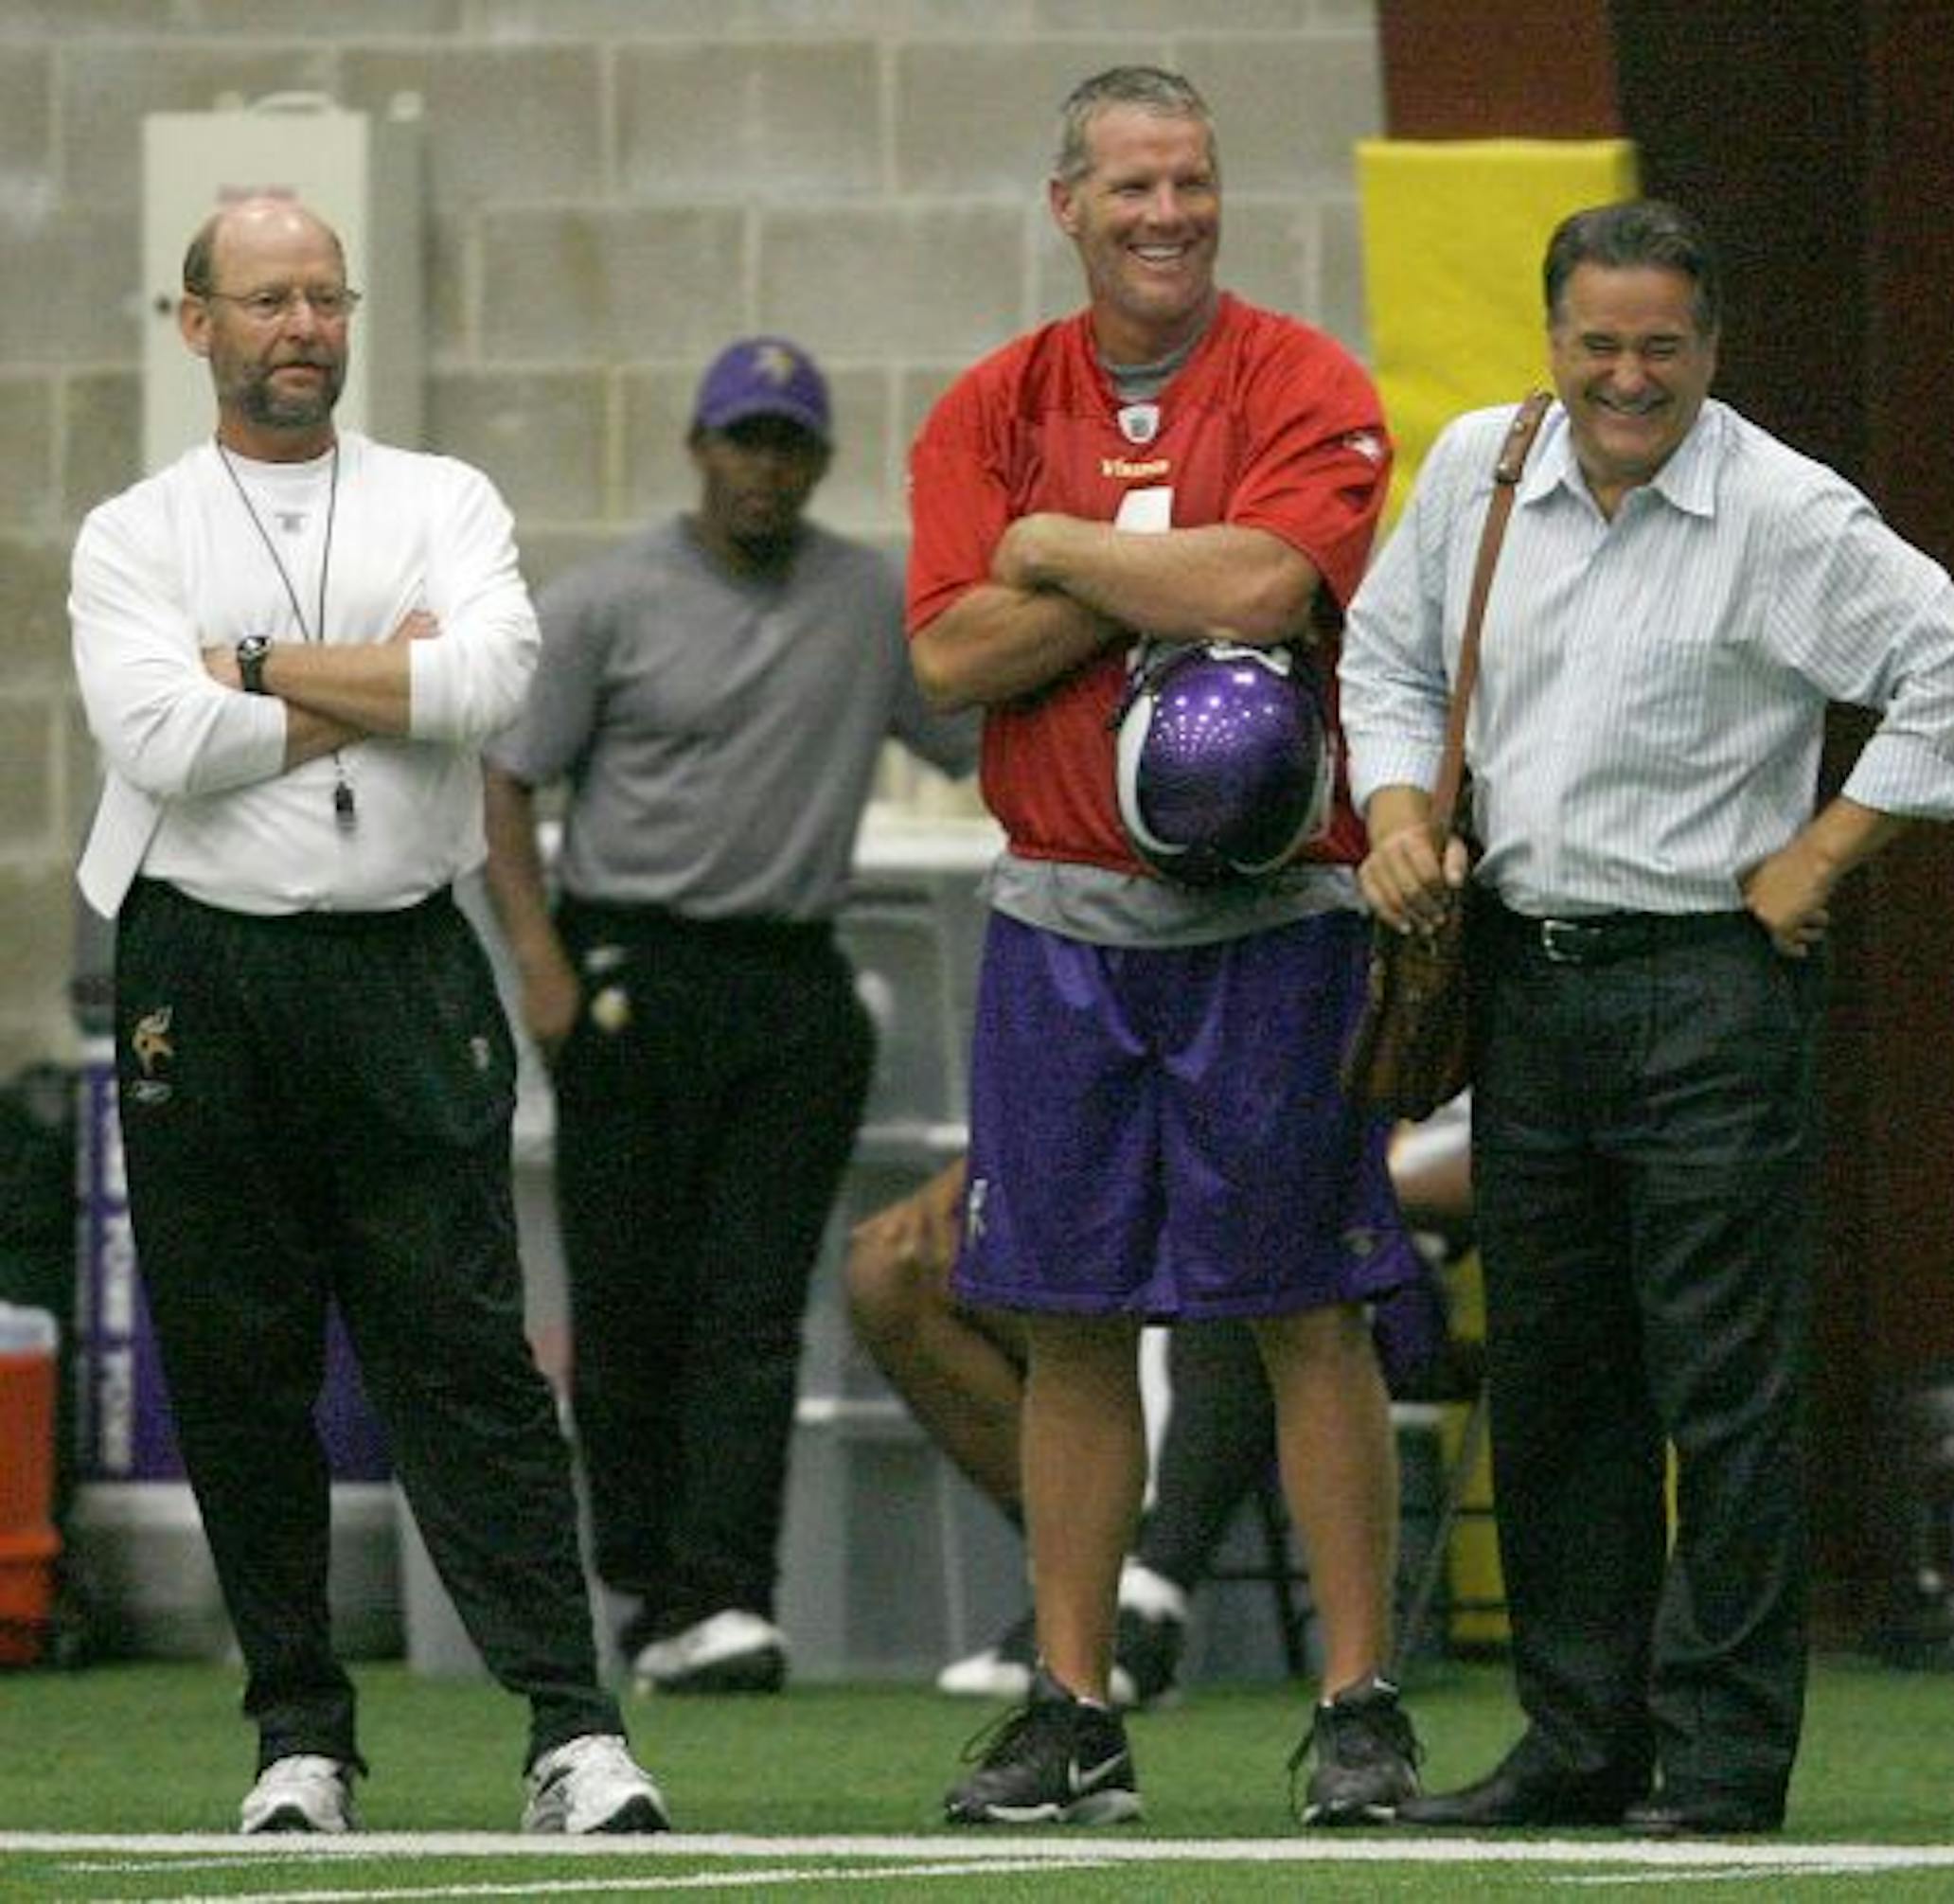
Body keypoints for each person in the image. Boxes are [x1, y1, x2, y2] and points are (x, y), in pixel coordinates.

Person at [1342, 197, 1954, 1837]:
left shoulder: (1785, 513)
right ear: (1553, 342)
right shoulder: (1482, 474)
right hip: (1527, 979)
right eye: (1599, 347)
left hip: (1713, 991)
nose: (1628, 378)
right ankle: (1580, 1745)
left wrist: (1823, 849)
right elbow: (1384, 660)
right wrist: (1390, 815)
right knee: (1563, 1385)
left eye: (1661, 348)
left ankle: (1719, 1763)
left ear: (1712, 351)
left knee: (1721, 1387)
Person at [67, 196, 667, 1837]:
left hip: (402, 960)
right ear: (194, 324)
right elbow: (162, 743)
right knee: (241, 1360)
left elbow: (489, 692)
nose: (301, 328)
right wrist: (362, 692)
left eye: (324, 297)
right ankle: (297, 1741)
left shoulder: (439, 498)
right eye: (265, 301)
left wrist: (254, 663)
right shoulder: (134, 532)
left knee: (465, 1349)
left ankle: (571, 1726)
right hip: (206, 966)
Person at [905, 65, 1417, 1828]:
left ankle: (1359, 1705)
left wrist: (1048, 548)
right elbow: (953, 658)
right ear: (1069, 205)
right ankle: (1074, 1707)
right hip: (1061, 928)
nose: (1166, 214)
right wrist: (1139, 568)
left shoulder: (1302, 381)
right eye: (1131, 186)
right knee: (1063, 1319)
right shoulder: (989, 405)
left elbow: (1269, 592)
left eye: (1191, 182)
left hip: (1273, 930)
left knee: (1306, 1312)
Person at [482, 337, 977, 1699]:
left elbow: (973, 740)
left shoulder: (867, 599)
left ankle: (728, 1599)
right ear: (699, 447)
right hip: (633, 971)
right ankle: (647, 1587)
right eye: (741, 439)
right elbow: (507, 781)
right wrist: (539, 962)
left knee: (756, 1308)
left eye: (788, 444)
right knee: (633, 1302)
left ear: (817, 462)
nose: (763, 467)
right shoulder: (610, 601)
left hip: (789, 981)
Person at [845, 1123, 1462, 1708]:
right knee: (892, 1266)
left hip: (1353, 1258)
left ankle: (1154, 1593)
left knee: (1235, 1229)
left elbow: (1486, 1155)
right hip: (1164, 1200)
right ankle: (1094, 1590)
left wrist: (1289, 1172)